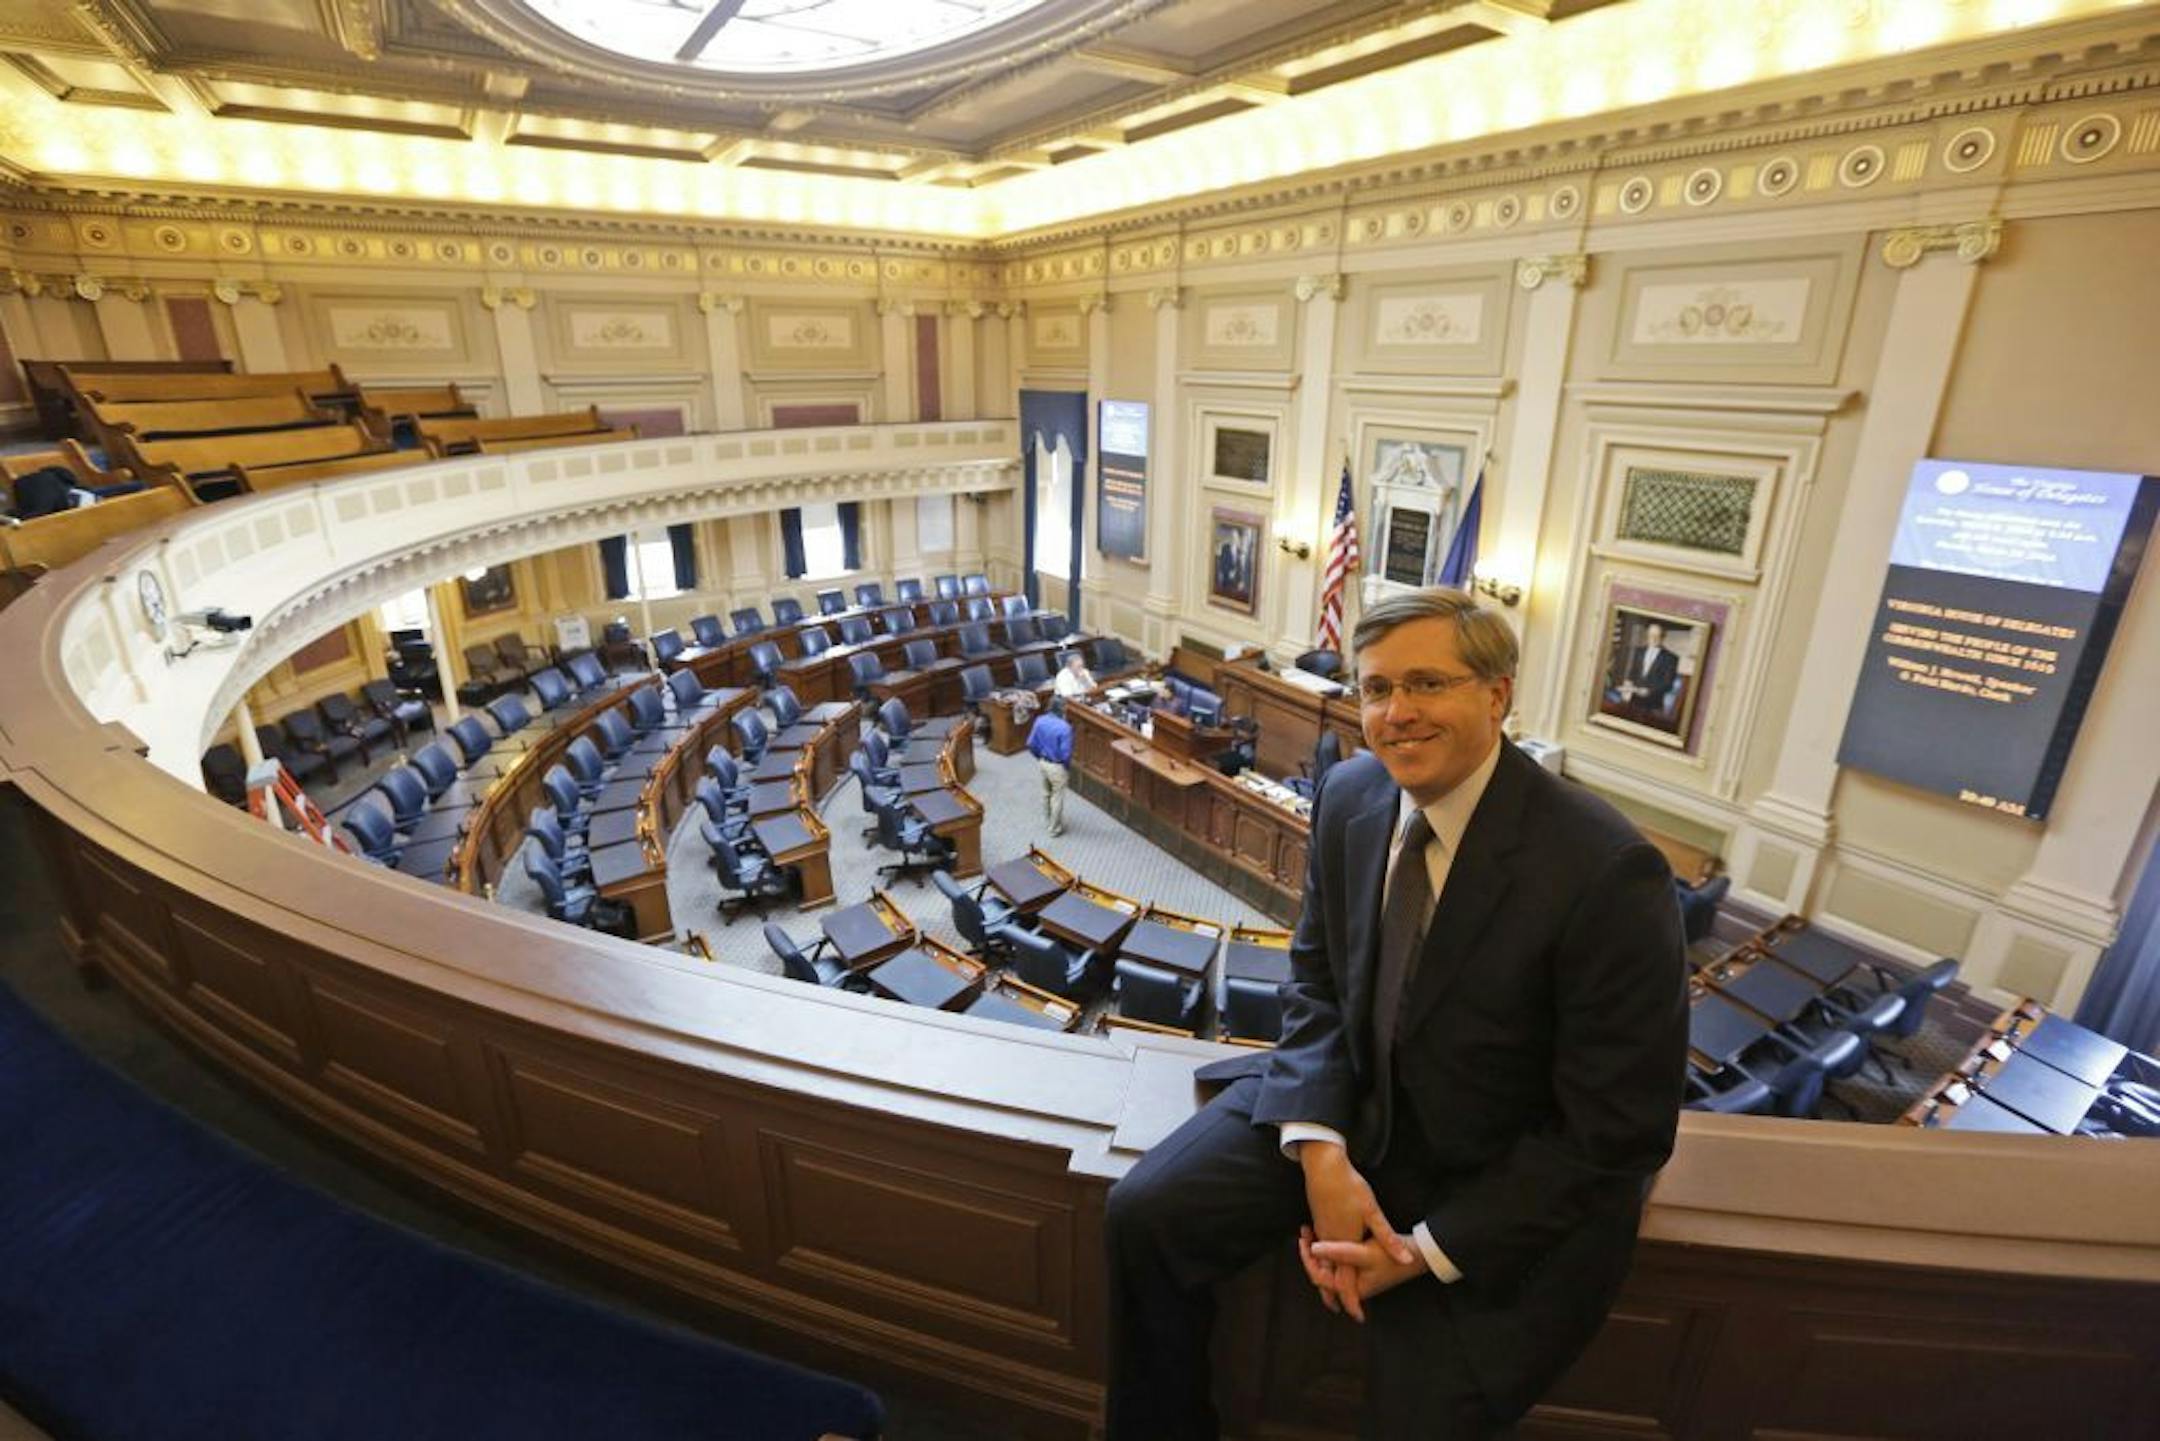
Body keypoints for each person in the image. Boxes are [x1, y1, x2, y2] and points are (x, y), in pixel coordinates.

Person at [1104, 586, 1688, 1440]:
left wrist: (1422, 1249)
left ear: (1498, 694)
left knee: (1419, 1412)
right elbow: (1316, 981)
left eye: (1427, 684)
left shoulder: (1607, 871)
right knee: (1143, 1216)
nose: (1397, 713)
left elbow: (1619, 1131)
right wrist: (1320, 1150)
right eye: (1376, 688)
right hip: (1349, 1103)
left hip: (1492, 1174)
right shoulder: (1350, 793)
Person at [1026, 695, 1075, 838]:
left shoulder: (1039, 721)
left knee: (1046, 793)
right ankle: (1054, 828)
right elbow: (1065, 754)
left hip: (1043, 762)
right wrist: (1065, 767)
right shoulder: (1065, 728)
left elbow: (1030, 743)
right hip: (1057, 766)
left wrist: (1039, 757)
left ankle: (1048, 820)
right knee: (1057, 797)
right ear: (1062, 710)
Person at [1608, 621, 1678, 708]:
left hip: (1653, 704)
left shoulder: (1671, 658)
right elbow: (1632, 674)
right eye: (1651, 635)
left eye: (1657, 636)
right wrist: (1627, 689)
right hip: (1633, 701)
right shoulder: (1638, 651)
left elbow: (1668, 684)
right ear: (1647, 635)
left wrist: (1649, 691)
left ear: (1663, 637)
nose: (1653, 638)